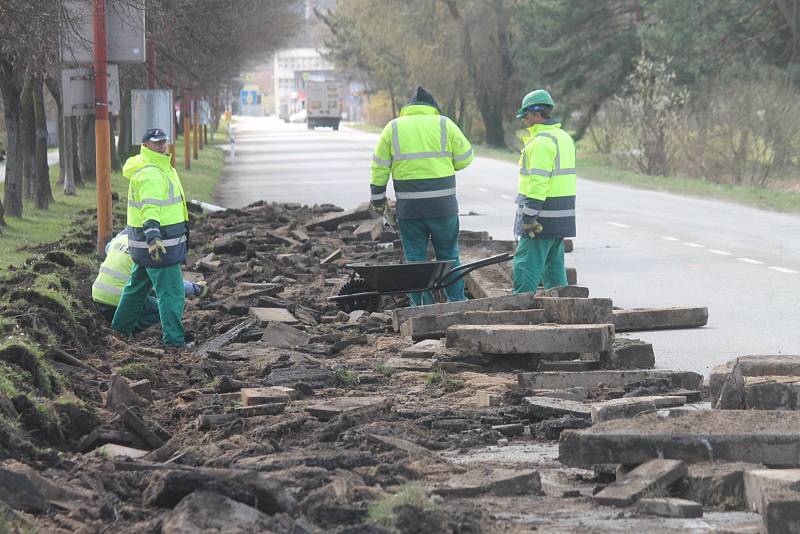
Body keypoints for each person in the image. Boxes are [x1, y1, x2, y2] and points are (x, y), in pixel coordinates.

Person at [370, 86, 474, 306]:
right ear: (432, 108)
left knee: (415, 259)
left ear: (408, 108)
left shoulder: (393, 128)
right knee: (449, 255)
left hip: (411, 210)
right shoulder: (445, 124)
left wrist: (378, 198)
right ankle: (456, 301)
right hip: (443, 208)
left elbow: (379, 167)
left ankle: (420, 305)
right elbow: (465, 158)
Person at [111, 128, 190, 347]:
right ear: (145, 145)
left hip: (144, 244)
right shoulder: (151, 172)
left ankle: (118, 332)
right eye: (157, 143)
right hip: (160, 245)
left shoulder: (157, 167)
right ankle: (174, 342)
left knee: (136, 289)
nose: (162, 145)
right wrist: (153, 235)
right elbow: (150, 206)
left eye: (164, 141)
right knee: (172, 293)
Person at [512, 89, 576, 294]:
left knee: (526, 265)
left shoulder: (541, 142)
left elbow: (538, 182)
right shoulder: (564, 137)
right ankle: (564, 306)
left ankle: (519, 308)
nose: (525, 121)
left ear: (538, 114)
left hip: (541, 217)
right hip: (561, 215)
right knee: (553, 269)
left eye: (527, 116)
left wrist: (529, 215)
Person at [92, 229, 207, 330]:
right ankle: (131, 326)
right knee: (163, 310)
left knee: (145, 288)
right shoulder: (148, 251)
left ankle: (118, 324)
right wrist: (196, 288)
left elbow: (108, 248)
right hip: (119, 302)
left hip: (98, 297)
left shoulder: (120, 239)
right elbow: (170, 284)